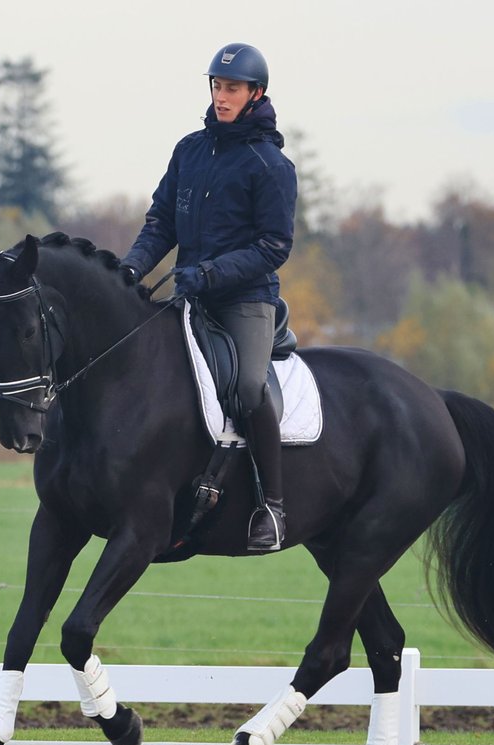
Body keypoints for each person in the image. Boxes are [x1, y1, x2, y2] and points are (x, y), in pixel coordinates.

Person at [120, 42, 297, 553]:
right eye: (218, 87)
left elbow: (273, 247)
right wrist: (130, 267)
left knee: (246, 388)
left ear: (255, 93)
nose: (223, 97)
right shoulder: (189, 150)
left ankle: (273, 507)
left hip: (244, 301)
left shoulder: (271, 166)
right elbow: (161, 223)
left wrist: (210, 272)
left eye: (233, 89)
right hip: (191, 293)